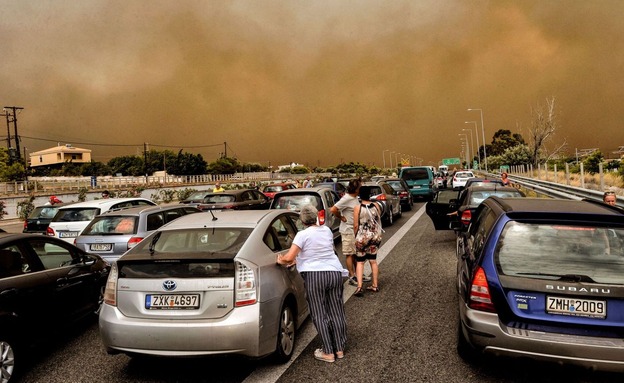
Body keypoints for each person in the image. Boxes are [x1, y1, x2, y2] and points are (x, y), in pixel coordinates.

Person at [276, 204, 348, 363]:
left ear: (302, 220)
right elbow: (320, 250)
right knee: (337, 311)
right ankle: (340, 348)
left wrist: (281, 260)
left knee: (319, 313)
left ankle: (328, 352)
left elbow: (289, 257)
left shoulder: (302, 235)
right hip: (334, 272)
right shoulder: (327, 230)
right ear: (316, 217)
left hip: (315, 276)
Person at [330, 178, 371, 286]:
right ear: (356, 189)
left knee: (356, 253)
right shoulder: (346, 198)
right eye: (360, 187)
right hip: (348, 230)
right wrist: (341, 217)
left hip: (355, 229)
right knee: (349, 254)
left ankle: (359, 274)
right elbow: (333, 209)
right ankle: (352, 276)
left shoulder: (355, 198)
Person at [353, 186, 383, 296]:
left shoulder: (357, 208)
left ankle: (359, 286)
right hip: (374, 237)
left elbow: (356, 225)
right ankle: (375, 285)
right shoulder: (376, 206)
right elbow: (379, 219)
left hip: (362, 238)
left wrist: (356, 236)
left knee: (360, 262)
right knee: (373, 261)